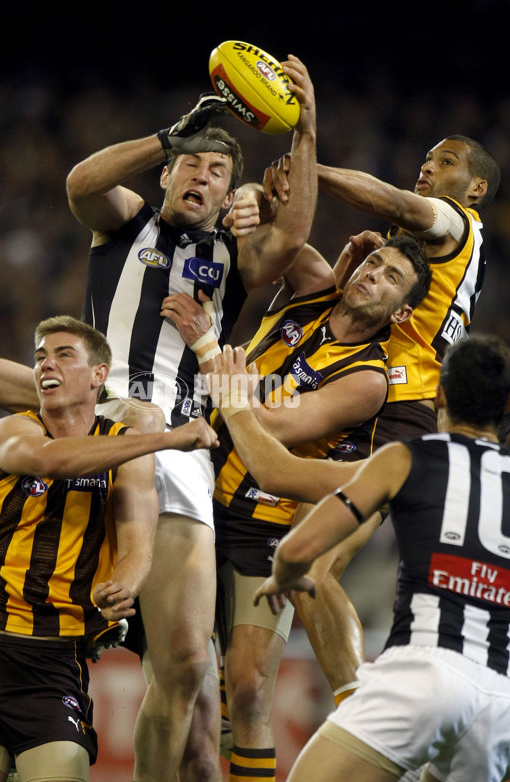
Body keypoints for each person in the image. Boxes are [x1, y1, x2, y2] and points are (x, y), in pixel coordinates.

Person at [65, 54, 318, 782]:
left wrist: (303, 133)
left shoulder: (230, 254)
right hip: (101, 429)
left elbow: (293, 240)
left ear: (227, 188)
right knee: (48, 640)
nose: (201, 177)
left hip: (181, 452)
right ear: (170, 172)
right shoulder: (124, 224)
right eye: (191, 165)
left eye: (216, 168)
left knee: (183, 672)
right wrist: (167, 136)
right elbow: (81, 183)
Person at [0, 235, 219, 782]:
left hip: (53, 657)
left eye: (63, 354)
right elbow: (51, 461)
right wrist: (162, 437)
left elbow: (137, 542)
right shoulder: (9, 432)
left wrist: (126, 585)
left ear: (97, 376)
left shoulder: (124, 448)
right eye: (39, 355)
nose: (45, 364)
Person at [263, 133, 501, 705]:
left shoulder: (454, 220)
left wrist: (309, 167)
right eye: (424, 159)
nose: (427, 168)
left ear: (477, 187)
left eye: (445, 162)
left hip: (397, 410)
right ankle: (243, 693)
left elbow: (396, 203)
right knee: (289, 548)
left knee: (313, 565)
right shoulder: (439, 253)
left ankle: (357, 708)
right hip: (381, 401)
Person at [225, 332, 510, 782]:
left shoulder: (407, 458)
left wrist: (284, 573)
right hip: (499, 698)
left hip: (425, 672)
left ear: (439, 393)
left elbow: (298, 540)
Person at [206, 226, 431, 781]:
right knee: (186, 684)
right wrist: (274, 186)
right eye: (373, 264)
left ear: (400, 314)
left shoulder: (368, 379)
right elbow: (279, 236)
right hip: (198, 495)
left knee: (250, 688)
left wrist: (217, 368)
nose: (373, 275)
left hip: (265, 527)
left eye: (390, 277)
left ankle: (357, 700)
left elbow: (279, 427)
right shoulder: (311, 292)